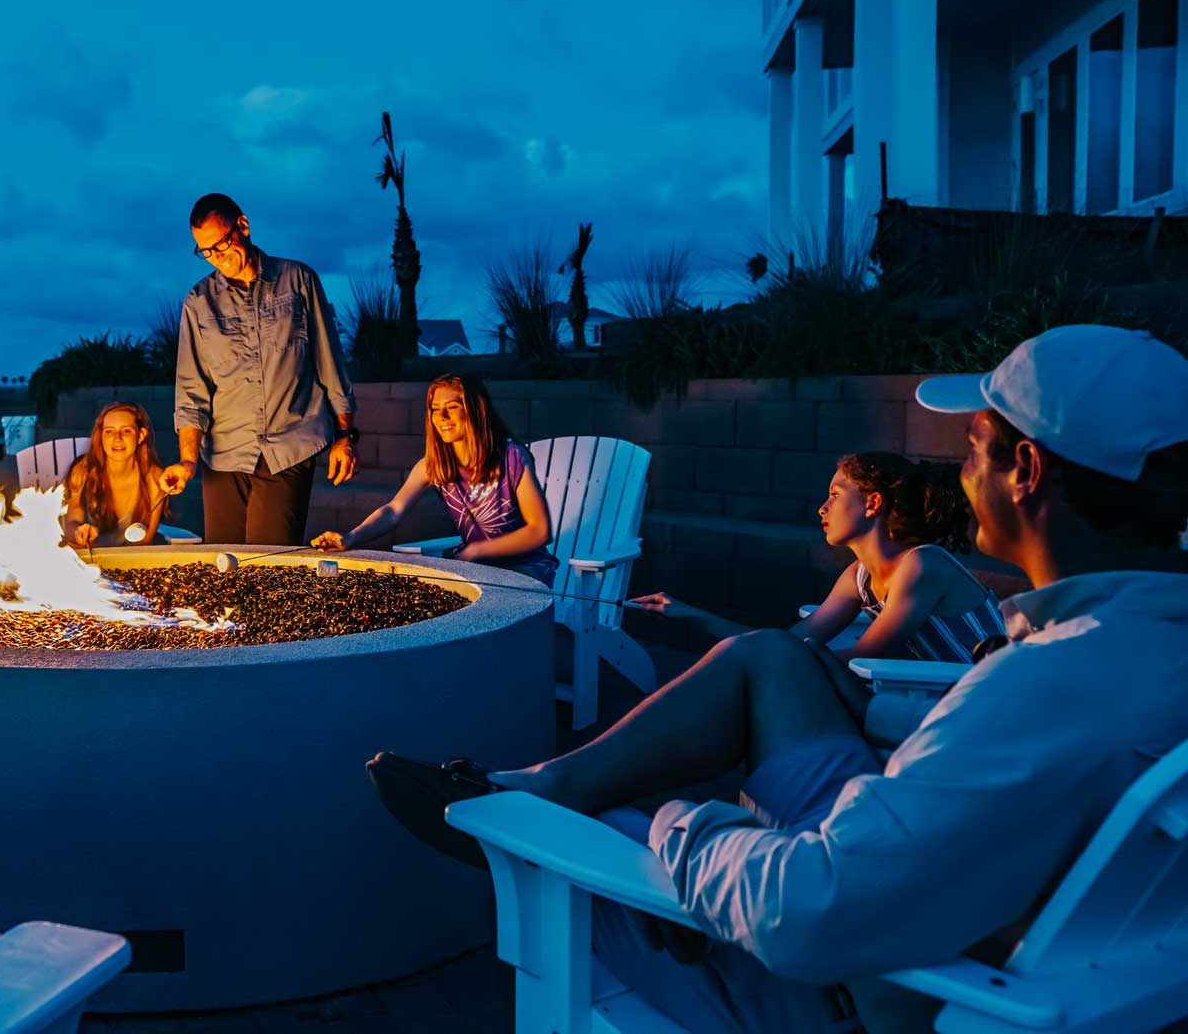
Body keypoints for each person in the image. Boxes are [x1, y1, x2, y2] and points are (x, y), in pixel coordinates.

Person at [379, 325, 1188, 1033]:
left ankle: (516, 809)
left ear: (1028, 470)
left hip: (870, 989)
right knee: (768, 657)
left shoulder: (1048, 682)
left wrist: (675, 819)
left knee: (577, 841)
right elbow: (835, 672)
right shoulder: (1137, 645)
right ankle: (534, 782)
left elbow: (807, 907)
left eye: (974, 444)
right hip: (947, 871)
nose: (960, 465)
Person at [630, 451, 1003, 662]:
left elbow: (867, 653)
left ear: (873, 503)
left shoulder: (922, 565)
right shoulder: (858, 578)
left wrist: (782, 660)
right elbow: (793, 640)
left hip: (987, 706)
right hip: (933, 697)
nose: (822, 508)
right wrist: (688, 613)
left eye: (835, 495)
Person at [162, 192, 360, 545]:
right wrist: (188, 461)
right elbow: (191, 390)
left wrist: (345, 436)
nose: (216, 259)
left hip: (288, 447)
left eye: (221, 245)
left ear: (243, 226)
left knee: (268, 564)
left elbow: (330, 363)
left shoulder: (299, 280)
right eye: (205, 252)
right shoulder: (198, 302)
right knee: (224, 567)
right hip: (223, 455)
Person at [311, 374, 558, 584]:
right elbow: (393, 510)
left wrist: (478, 549)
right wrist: (351, 537)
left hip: (525, 568)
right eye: (435, 410)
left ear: (475, 409)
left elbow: (540, 530)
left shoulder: (511, 456)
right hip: (475, 568)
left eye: (451, 407)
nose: (441, 417)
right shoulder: (435, 464)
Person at [61, 402, 168, 548]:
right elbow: (71, 524)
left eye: (126, 431)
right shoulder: (83, 471)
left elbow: (146, 540)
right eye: (109, 431)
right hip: (90, 560)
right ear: (101, 436)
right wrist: (79, 532)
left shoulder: (154, 477)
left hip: (134, 559)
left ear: (141, 435)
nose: (117, 438)